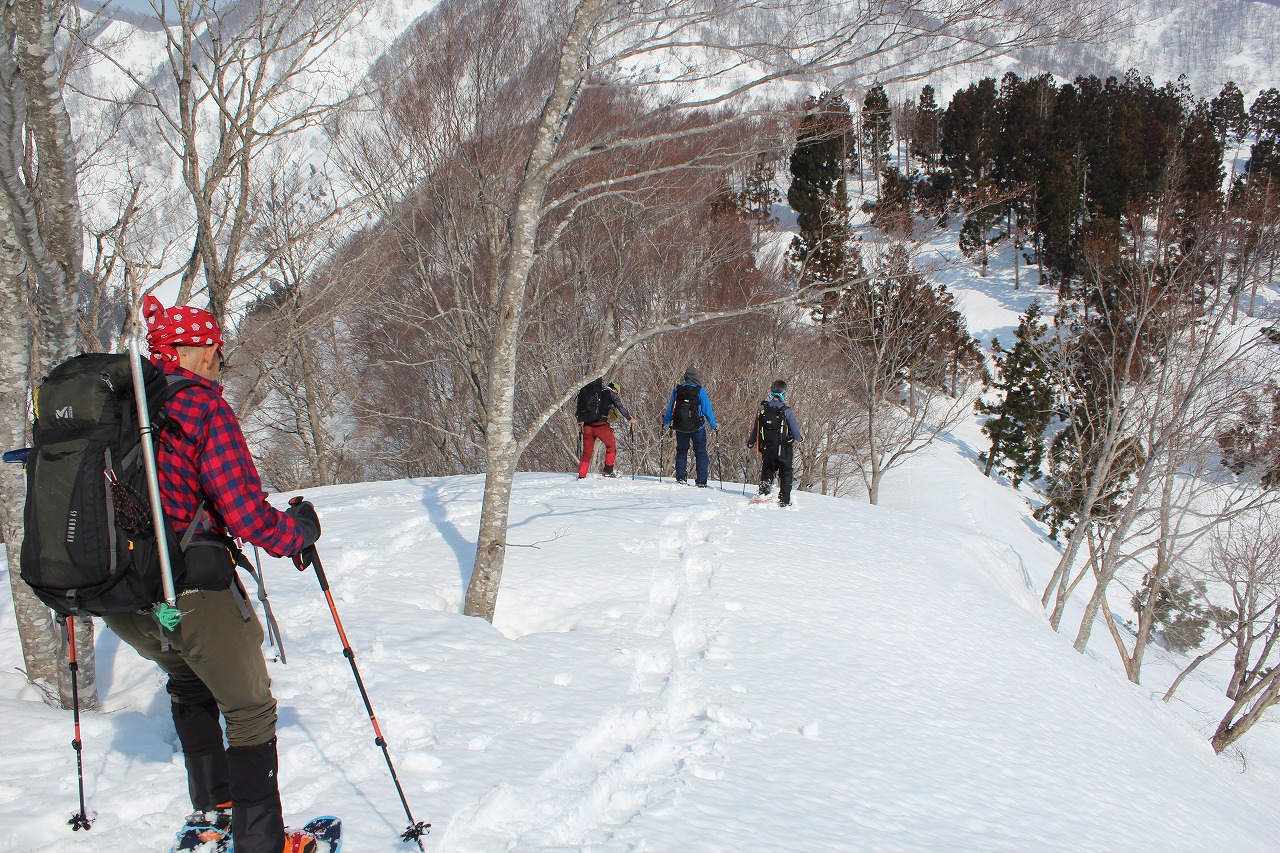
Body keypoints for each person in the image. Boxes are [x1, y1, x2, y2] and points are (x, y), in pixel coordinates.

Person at [101, 296, 322, 853]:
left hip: (127, 599)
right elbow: (245, 514)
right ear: (196, 350)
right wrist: (296, 535)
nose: (219, 362)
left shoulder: (120, 404)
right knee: (249, 712)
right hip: (191, 592)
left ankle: (212, 812)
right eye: (217, 352)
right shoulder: (201, 407)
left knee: (187, 680)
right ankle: (260, 843)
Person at [747, 379, 804, 507]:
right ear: (783, 393)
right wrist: (800, 439)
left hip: (767, 448)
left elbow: (756, 428)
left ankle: (764, 493)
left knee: (768, 468)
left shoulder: (762, 409)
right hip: (783, 449)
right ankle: (784, 500)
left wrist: (751, 442)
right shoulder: (787, 411)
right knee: (786, 472)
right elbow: (796, 433)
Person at [662, 365, 718, 487]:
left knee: (681, 451)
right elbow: (707, 410)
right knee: (700, 452)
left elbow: (671, 408)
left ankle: (681, 478)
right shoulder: (700, 390)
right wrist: (714, 425)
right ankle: (701, 481)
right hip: (698, 427)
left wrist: (665, 421)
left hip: (680, 426)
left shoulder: (677, 390)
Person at [576, 378, 636, 478]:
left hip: (587, 426)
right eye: (617, 392)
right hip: (601, 426)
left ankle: (582, 475)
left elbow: (581, 407)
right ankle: (608, 470)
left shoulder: (592, 392)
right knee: (611, 446)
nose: (616, 393)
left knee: (586, 453)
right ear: (614, 389)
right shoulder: (611, 393)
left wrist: (579, 420)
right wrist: (630, 419)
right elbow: (620, 407)